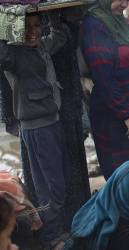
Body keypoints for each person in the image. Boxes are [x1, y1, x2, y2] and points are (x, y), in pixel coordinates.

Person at [0, 12, 70, 249]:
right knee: (51, 186)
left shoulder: (41, 47)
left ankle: (52, 232)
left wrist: (56, 16)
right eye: (25, 27)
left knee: (49, 184)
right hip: (38, 127)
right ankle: (52, 236)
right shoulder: (14, 54)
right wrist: (7, 21)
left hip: (50, 123)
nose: (32, 31)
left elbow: (58, 37)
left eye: (36, 25)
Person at [80, 0, 129, 178]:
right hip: (115, 117)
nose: (124, 4)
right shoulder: (94, 24)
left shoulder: (118, 21)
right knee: (122, 174)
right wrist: (126, 113)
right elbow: (103, 76)